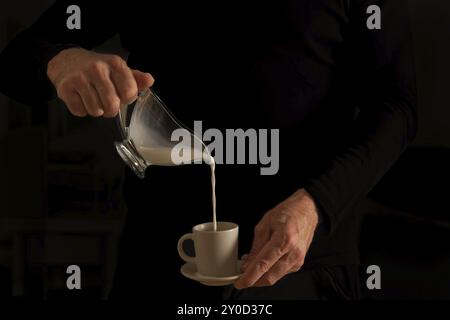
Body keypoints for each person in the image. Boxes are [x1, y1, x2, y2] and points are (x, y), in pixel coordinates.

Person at [0, 0, 416, 300]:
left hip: (304, 263)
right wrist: (61, 60)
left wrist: (316, 204)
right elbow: (17, 60)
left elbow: (398, 107)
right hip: (157, 264)